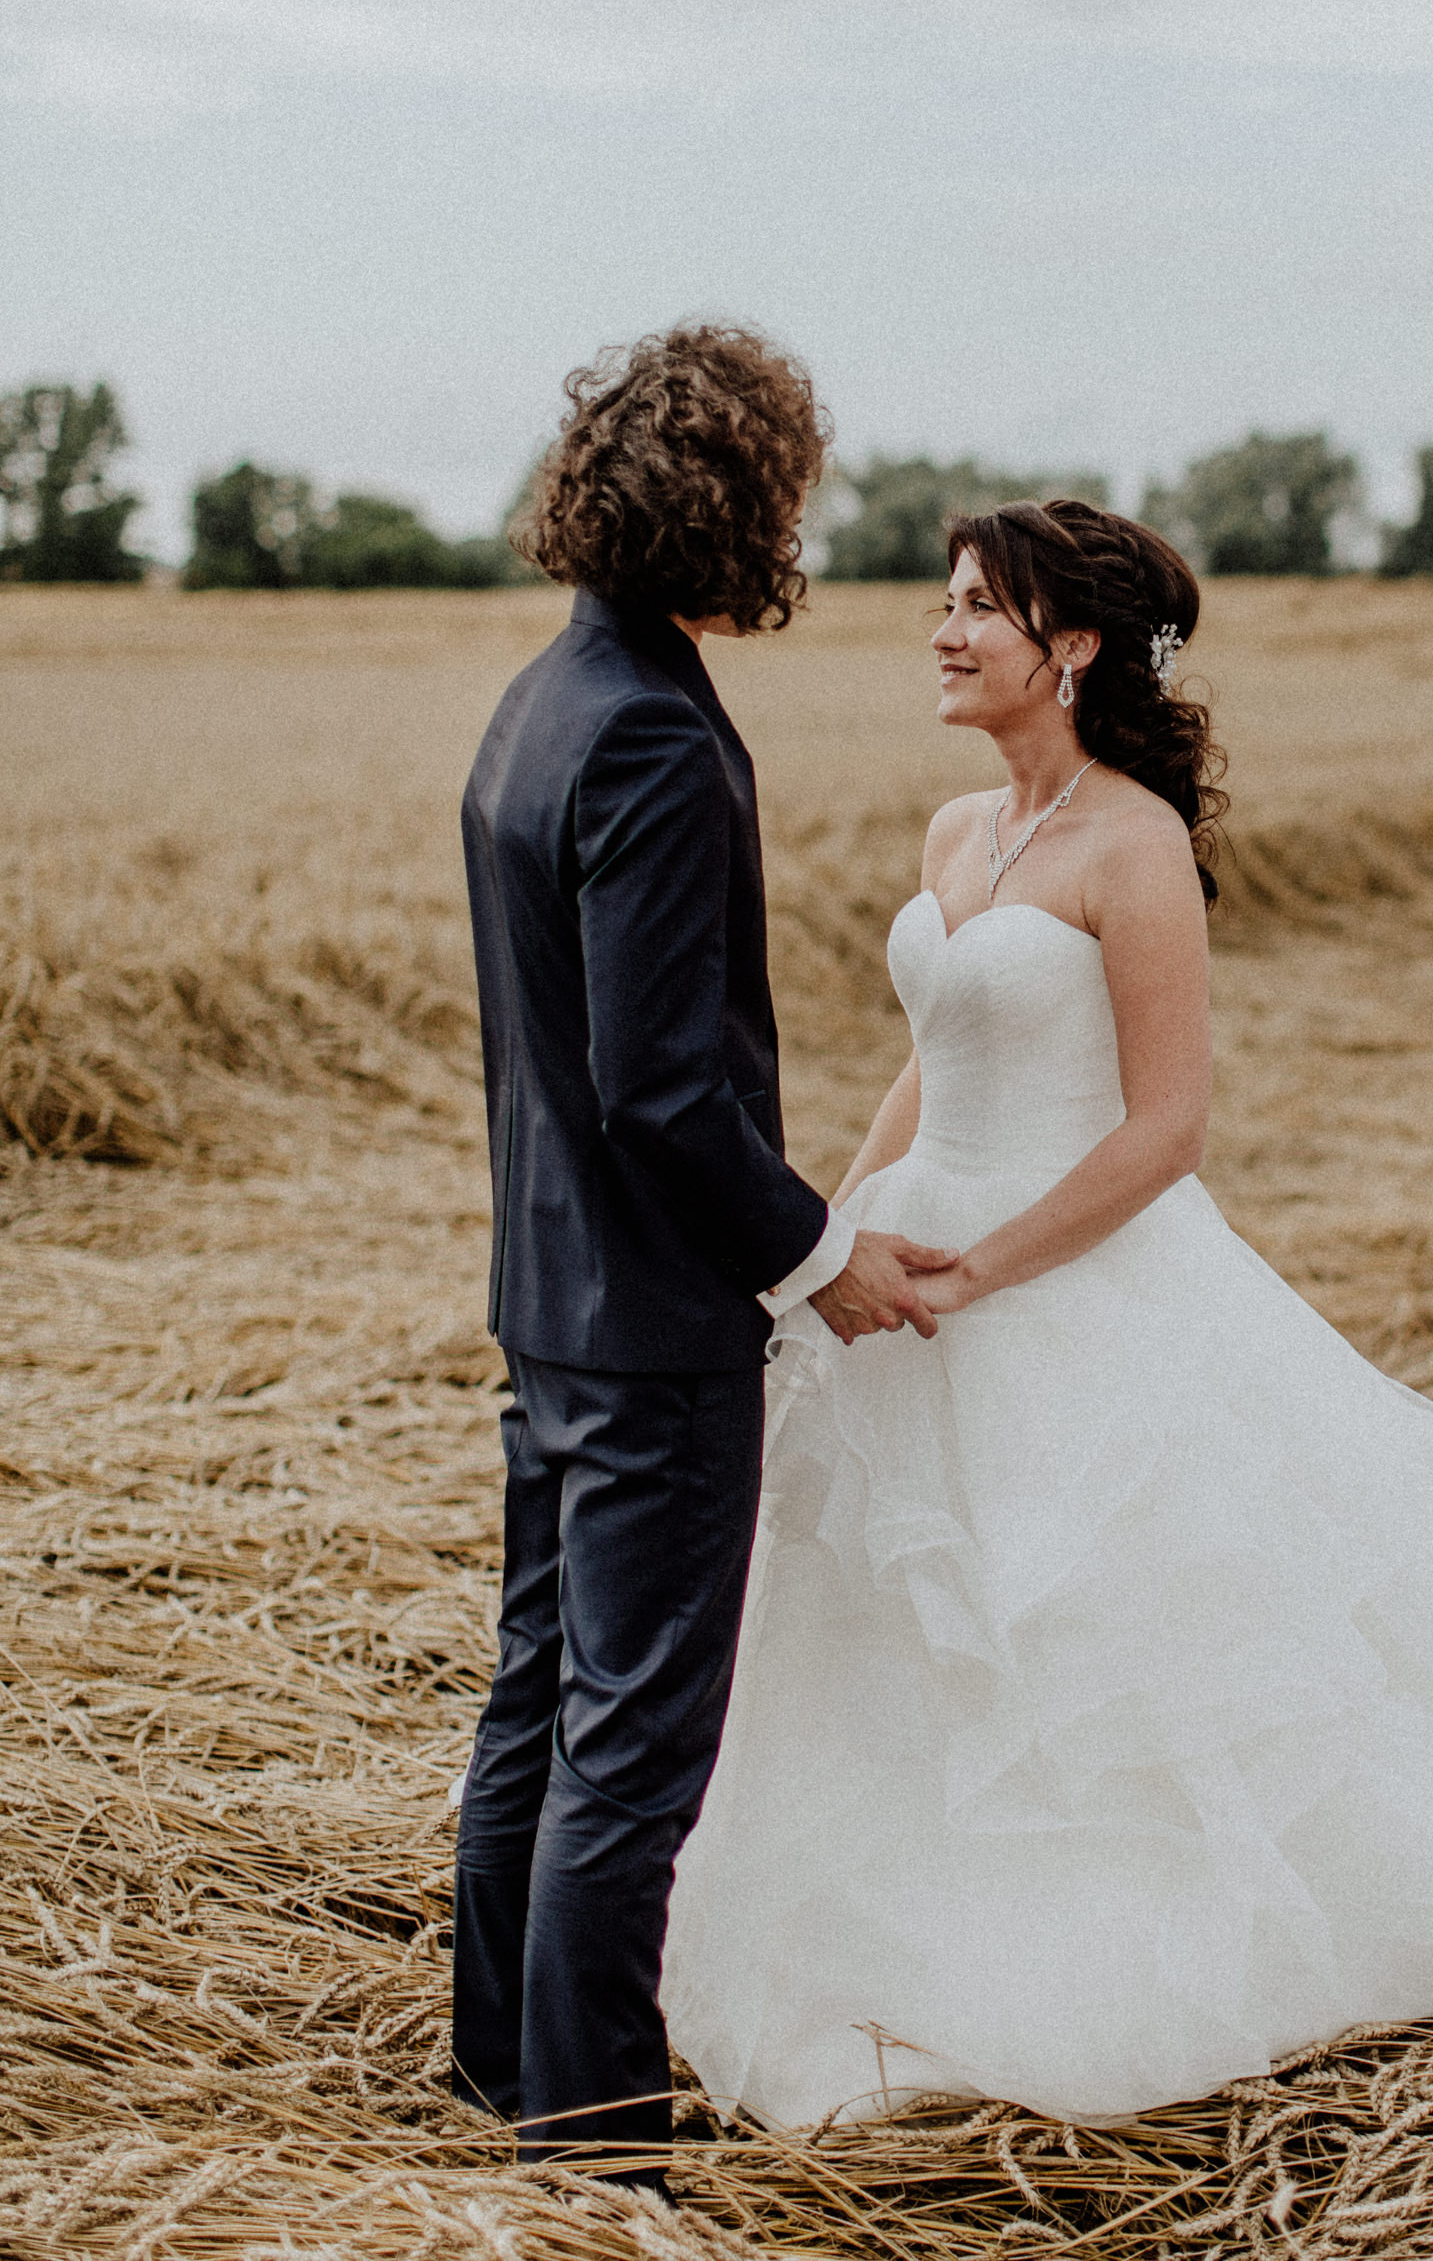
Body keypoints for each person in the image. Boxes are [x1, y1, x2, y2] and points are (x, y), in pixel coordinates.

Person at [660, 495, 1433, 2128]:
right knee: (888, 1609)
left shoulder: (1136, 847)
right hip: (904, 1273)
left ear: (1067, 645)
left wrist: (982, 1274)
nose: (939, 630)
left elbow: (1165, 1131)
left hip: (1063, 1277)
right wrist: (838, 1232)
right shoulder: (956, 832)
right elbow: (937, 1058)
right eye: (944, 600)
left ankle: (1075, 1969)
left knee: (1087, 1636)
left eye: (973, 608)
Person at [450, 326, 954, 2182]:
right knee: (634, 1749)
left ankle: (498, 2066)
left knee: (541, 1693)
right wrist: (820, 1257)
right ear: (739, 506)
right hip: (655, 1320)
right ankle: (588, 2148)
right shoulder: (654, 734)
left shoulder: (544, 697)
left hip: (548, 1296)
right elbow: (664, 1093)